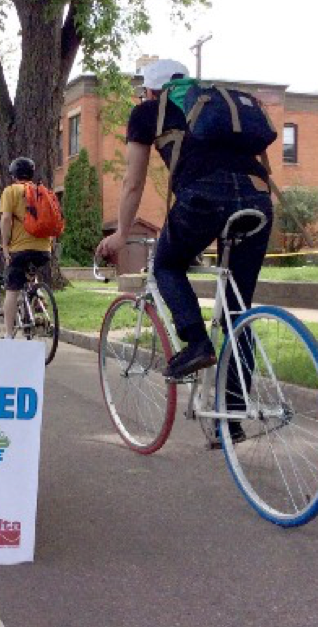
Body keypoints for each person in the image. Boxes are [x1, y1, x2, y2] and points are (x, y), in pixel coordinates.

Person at [96, 59, 274, 437]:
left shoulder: (147, 112)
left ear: (151, 90)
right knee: (237, 311)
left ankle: (195, 343)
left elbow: (132, 181)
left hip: (204, 199)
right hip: (259, 200)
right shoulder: (214, 104)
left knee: (165, 265)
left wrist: (121, 233)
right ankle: (232, 416)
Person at [0, 157, 53, 339]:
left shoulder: (11, 191)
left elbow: (6, 219)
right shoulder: (41, 191)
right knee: (30, 273)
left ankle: (7, 334)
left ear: (13, 175)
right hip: (44, 249)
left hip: (20, 249)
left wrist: (5, 245)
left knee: (12, 289)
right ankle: (36, 298)